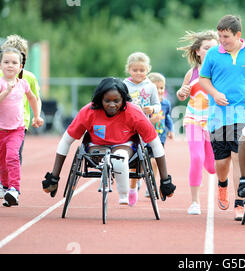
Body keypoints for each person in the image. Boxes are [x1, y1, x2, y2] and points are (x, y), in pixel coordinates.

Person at [41, 77, 176, 205]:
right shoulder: (88, 112)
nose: (112, 105)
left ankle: (124, 195)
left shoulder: (134, 112)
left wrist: (165, 180)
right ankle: (109, 169)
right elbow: (66, 141)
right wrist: (54, 176)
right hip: (97, 146)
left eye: (116, 101)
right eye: (107, 101)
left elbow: (155, 143)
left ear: (123, 100)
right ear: (100, 99)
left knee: (119, 157)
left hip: (125, 145)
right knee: (107, 156)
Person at [199, 15, 245, 221]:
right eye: (220, 36)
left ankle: (240, 201)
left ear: (238, 35)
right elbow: (203, 79)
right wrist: (215, 94)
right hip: (218, 115)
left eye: (226, 36)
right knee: (222, 162)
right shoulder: (212, 53)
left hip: (244, 113)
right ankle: (222, 184)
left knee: (239, 156)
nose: (222, 40)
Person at [176, 30, 218, 215]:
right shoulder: (192, 73)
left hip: (214, 124)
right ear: (198, 51)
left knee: (212, 167)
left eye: (214, 48)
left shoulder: (220, 72)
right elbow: (182, 95)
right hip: (193, 120)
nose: (210, 51)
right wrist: (181, 92)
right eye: (206, 48)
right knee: (196, 158)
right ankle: (195, 202)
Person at [0, 34, 44, 200]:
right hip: (1, 122)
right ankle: (5, 183)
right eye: (7, 59)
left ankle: (13, 187)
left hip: (20, 122)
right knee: (3, 157)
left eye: (17, 58)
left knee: (14, 155)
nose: (11, 64)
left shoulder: (29, 78)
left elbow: (35, 98)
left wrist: (36, 116)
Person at [123, 52, 161, 206]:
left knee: (141, 160)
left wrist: (151, 108)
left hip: (144, 127)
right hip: (127, 127)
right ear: (129, 70)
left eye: (141, 70)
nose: (138, 73)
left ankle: (136, 187)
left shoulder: (150, 86)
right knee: (130, 160)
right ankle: (130, 189)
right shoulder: (124, 85)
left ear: (148, 70)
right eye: (135, 70)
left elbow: (158, 105)